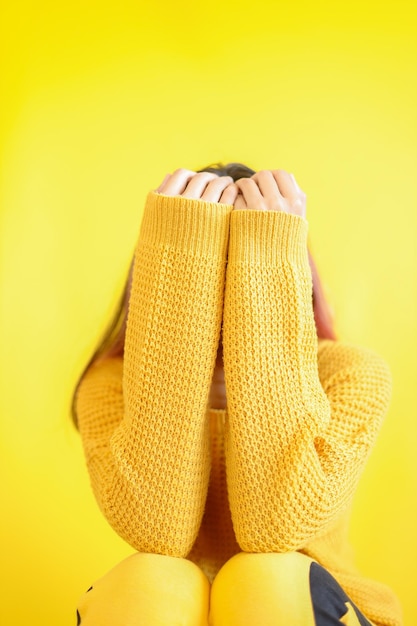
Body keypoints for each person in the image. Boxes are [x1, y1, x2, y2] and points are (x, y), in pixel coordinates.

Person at [72, 164, 403, 625]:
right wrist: (178, 262)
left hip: (314, 609)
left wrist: (266, 257)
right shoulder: (109, 385)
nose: (227, 287)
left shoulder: (350, 373)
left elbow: (276, 526)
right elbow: (156, 530)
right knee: (150, 578)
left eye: (245, 269)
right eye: (206, 269)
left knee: (267, 577)